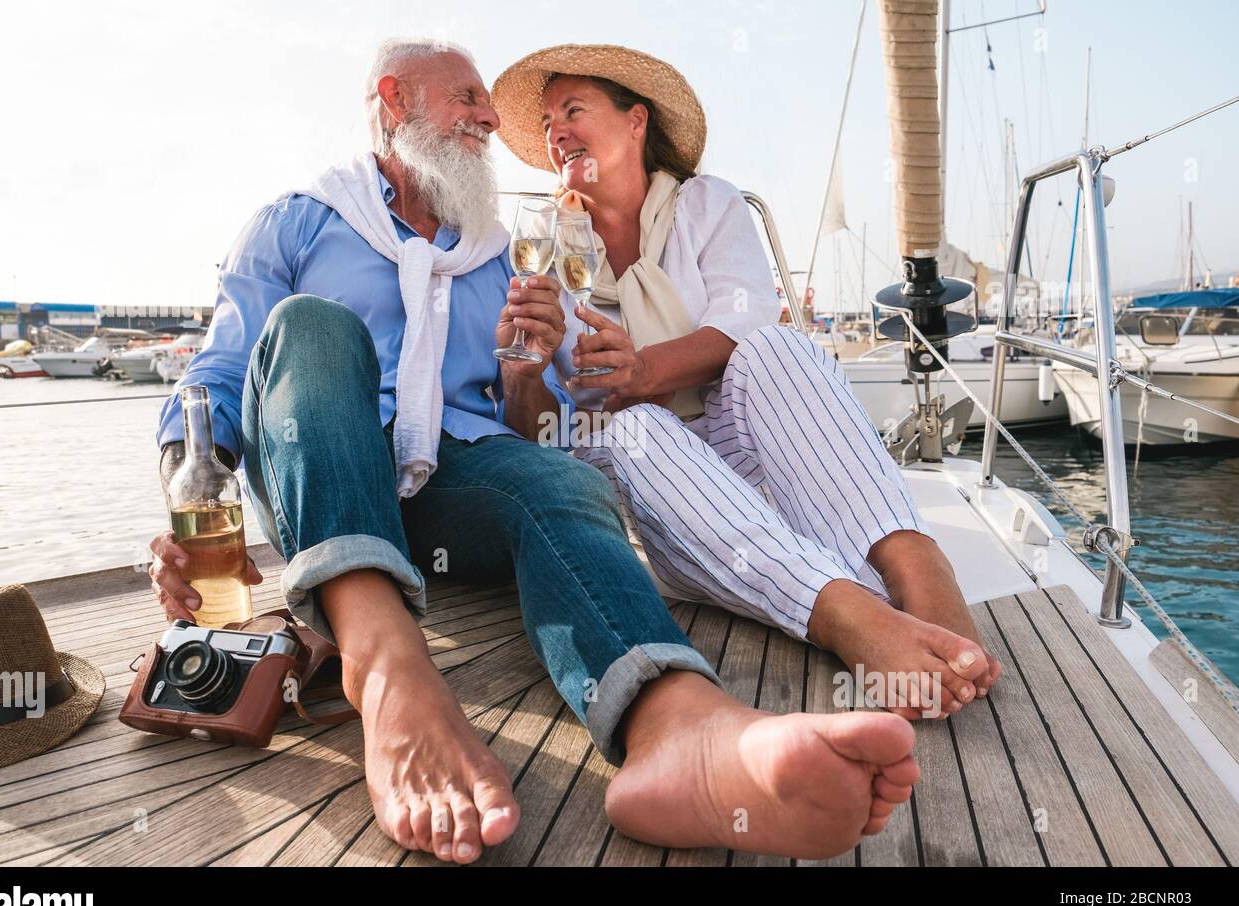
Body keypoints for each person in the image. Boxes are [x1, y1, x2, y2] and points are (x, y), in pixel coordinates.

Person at [146, 37, 920, 864]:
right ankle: (384, 667)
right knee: (314, 327)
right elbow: (219, 377)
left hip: (453, 485)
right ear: (395, 100)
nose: (487, 119)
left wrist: (522, 370)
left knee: (559, 480)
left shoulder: (497, 254)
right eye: (467, 99)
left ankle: (676, 728)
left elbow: (533, 426)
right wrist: (185, 508)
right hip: (327, 472)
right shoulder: (299, 219)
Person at [490, 44, 1003, 719]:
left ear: (636, 121)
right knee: (635, 427)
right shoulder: (544, 251)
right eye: (549, 119)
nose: (557, 131)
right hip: (652, 485)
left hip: (740, 446)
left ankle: (916, 568)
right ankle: (847, 616)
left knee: (774, 348)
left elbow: (742, 322)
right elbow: (535, 435)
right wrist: (525, 366)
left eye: (574, 109)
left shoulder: (707, 205)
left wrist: (644, 367)